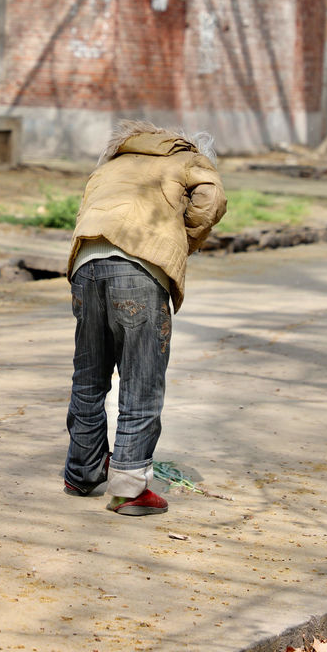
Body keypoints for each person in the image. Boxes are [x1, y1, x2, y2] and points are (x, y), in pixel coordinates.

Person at [63, 120, 227, 516]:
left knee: (89, 374)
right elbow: (211, 197)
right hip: (138, 267)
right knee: (141, 378)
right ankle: (129, 488)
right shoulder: (188, 160)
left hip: (86, 264)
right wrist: (186, 238)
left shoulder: (111, 165)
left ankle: (82, 472)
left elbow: (88, 209)